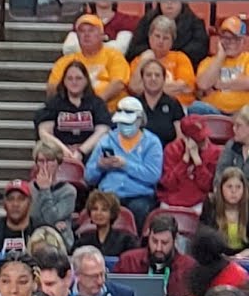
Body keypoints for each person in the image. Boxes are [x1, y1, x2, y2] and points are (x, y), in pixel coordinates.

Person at [85, 96, 164, 229]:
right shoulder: (106, 140)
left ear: (139, 120)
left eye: (128, 124)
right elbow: (88, 176)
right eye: (121, 123)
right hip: (109, 194)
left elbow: (153, 175)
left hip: (139, 196)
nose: (124, 127)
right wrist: (100, 166)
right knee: (99, 208)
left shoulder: (152, 142)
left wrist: (126, 165)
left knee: (139, 209)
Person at [33, 60, 111, 164]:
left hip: (91, 155)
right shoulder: (54, 103)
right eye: (70, 78)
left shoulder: (97, 104)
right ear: (64, 81)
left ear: (86, 80)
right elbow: (44, 132)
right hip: (59, 156)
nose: (74, 82)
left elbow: (103, 130)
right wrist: (64, 151)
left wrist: (81, 152)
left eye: (78, 78)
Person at [46, 14, 129, 111]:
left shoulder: (114, 56)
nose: (86, 35)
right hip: (73, 113)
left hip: (109, 112)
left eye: (91, 30)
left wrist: (95, 105)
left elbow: (118, 84)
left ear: (102, 35)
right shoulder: (66, 61)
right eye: (82, 31)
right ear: (77, 36)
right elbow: (52, 88)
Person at [115, 214, 198, 296]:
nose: (158, 248)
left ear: (175, 241)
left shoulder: (189, 266)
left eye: (164, 243)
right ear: (148, 237)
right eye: (154, 241)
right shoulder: (128, 260)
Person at [127, 16, 196, 108]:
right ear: (150, 37)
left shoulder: (180, 58)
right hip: (149, 108)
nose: (160, 41)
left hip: (181, 106)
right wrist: (143, 62)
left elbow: (184, 87)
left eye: (166, 38)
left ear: (172, 42)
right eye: (157, 36)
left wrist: (149, 89)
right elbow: (134, 88)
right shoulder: (139, 60)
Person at [191, 16, 249, 116]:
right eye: (225, 38)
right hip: (214, 112)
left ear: (243, 41)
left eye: (234, 38)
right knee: (196, 107)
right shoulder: (208, 62)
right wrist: (220, 57)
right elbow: (203, 84)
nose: (229, 42)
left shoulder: (247, 59)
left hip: (243, 114)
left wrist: (219, 84)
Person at [159, 116, 219, 209]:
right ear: (187, 139)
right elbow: (169, 184)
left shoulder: (214, 152)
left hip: (199, 203)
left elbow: (208, 186)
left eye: (205, 136)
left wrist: (198, 163)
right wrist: (184, 161)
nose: (206, 141)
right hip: (172, 201)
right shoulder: (172, 150)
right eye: (200, 139)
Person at [126, 1, 210, 67]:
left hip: (182, 68)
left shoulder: (195, 23)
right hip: (149, 68)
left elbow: (200, 52)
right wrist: (157, 54)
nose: (169, 3)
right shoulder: (148, 20)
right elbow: (134, 50)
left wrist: (169, 55)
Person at [29, 142, 77, 246]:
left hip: (60, 242)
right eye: (41, 161)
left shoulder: (69, 191)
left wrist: (45, 189)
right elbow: (33, 217)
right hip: (32, 238)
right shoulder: (29, 188)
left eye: (50, 160)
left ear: (58, 163)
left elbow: (50, 219)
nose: (45, 165)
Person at [71, 189, 139, 257]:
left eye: (104, 210)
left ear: (112, 213)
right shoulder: (83, 241)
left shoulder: (127, 241)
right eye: (95, 209)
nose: (98, 213)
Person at [201, 167, 249, 255]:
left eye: (238, 187)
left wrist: (242, 255)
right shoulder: (211, 205)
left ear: (244, 189)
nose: (234, 191)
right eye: (229, 186)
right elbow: (204, 238)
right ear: (221, 188)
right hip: (218, 257)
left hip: (244, 258)